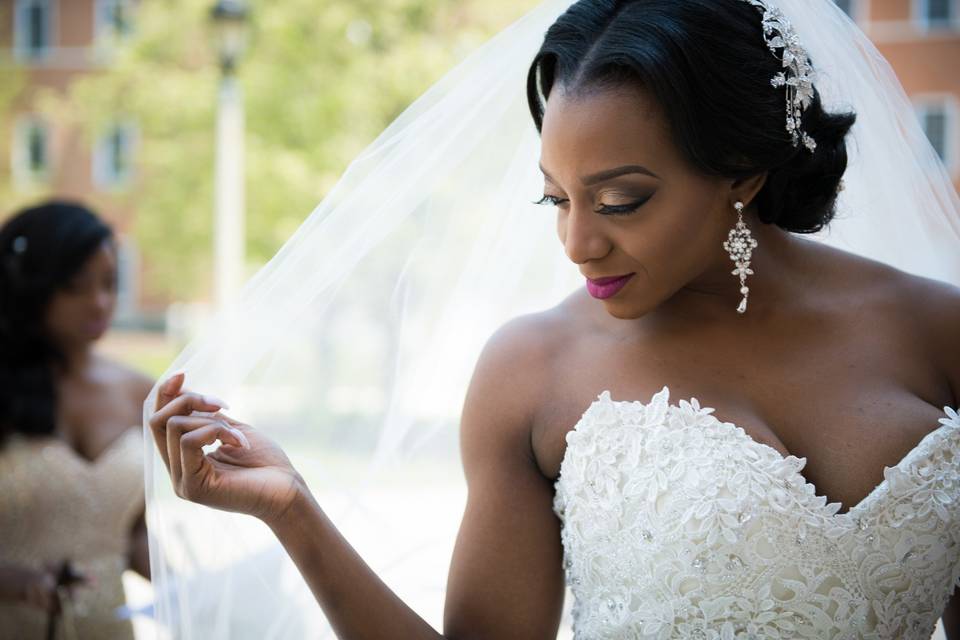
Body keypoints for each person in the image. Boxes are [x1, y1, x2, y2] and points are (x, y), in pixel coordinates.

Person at [145, 0, 960, 638]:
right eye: (557, 198)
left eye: (619, 201)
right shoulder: (532, 371)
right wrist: (293, 510)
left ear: (741, 172)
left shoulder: (938, 332)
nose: (577, 241)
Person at [0, 201, 154, 639]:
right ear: (31, 285)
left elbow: (132, 535)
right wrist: (12, 581)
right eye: (76, 286)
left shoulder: (141, 393)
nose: (99, 303)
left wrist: (189, 582)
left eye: (110, 283)